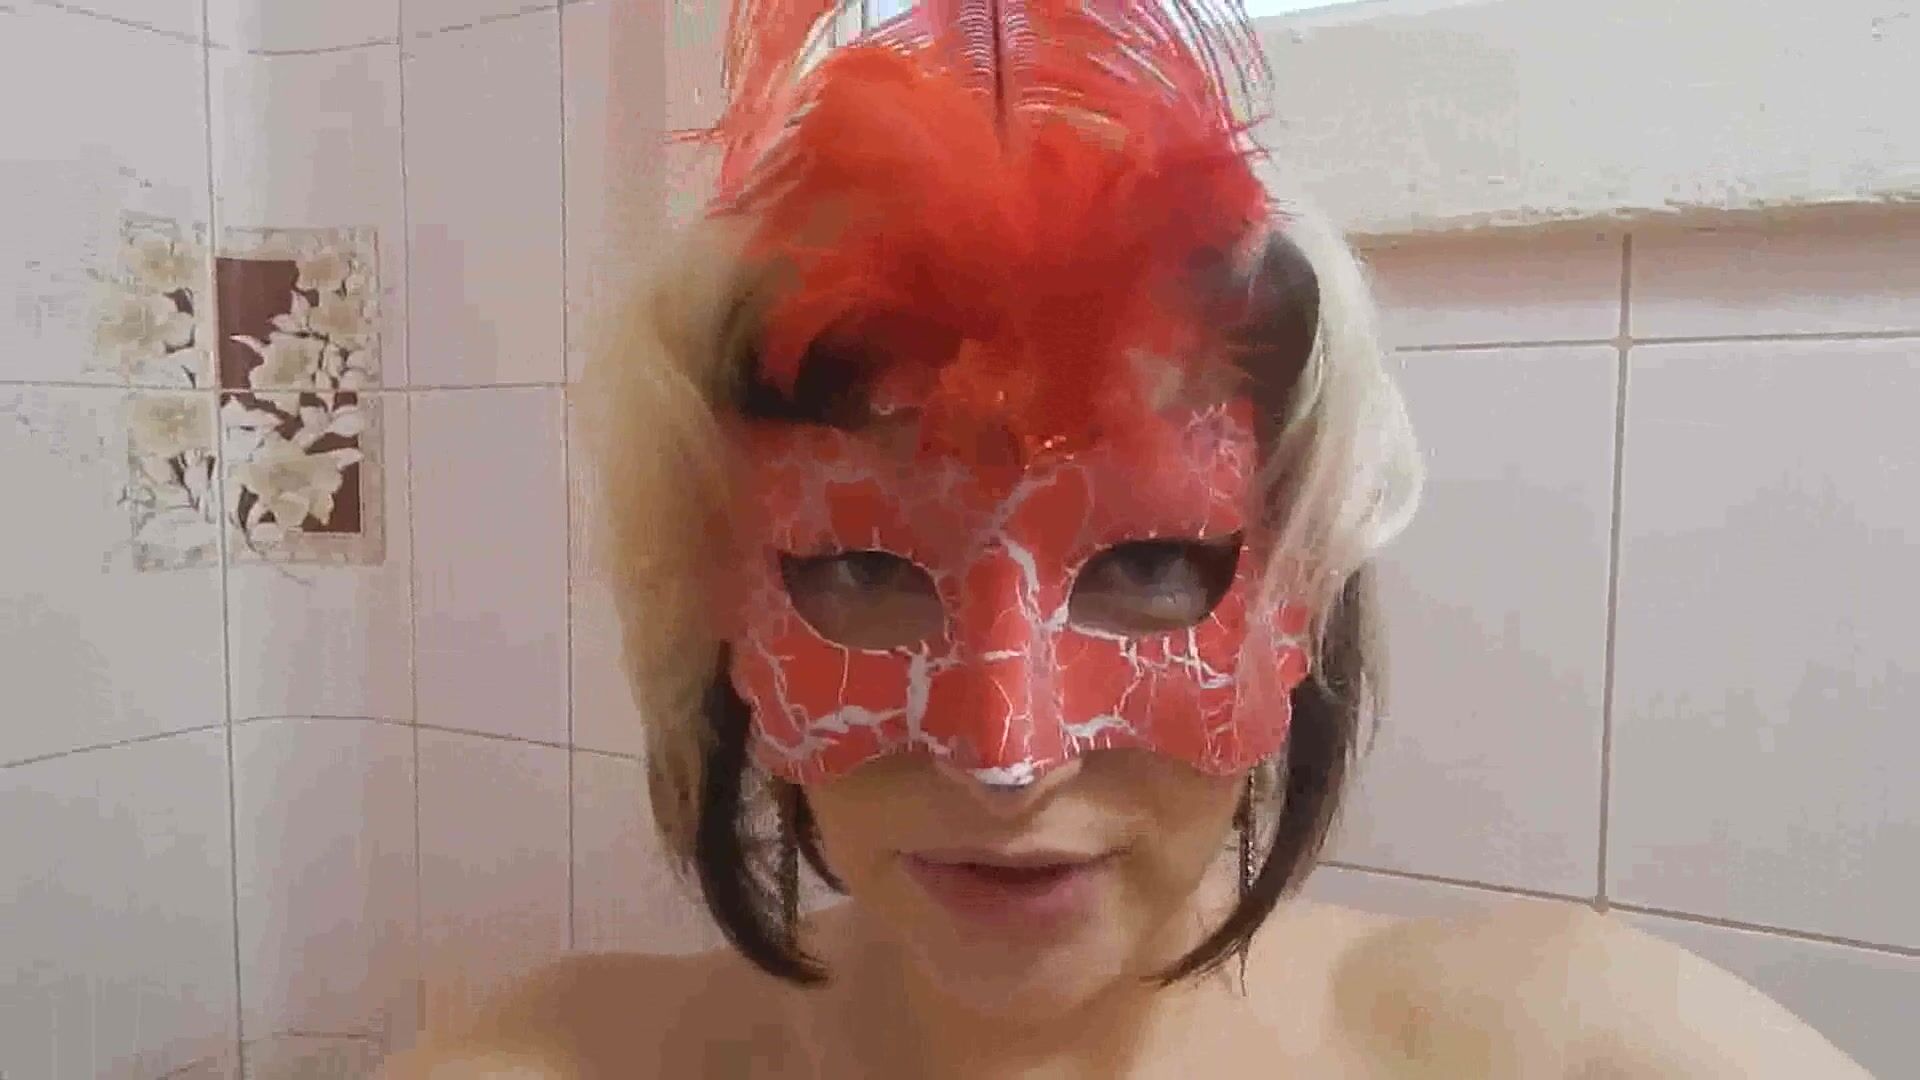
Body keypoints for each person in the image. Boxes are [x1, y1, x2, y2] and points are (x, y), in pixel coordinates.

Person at [381, 0, 1870, 1075]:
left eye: (1154, 567)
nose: (1005, 753)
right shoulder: (544, 1060)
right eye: (865, 572)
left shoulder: (1586, 1047)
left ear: (1302, 590)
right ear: (714, 599)